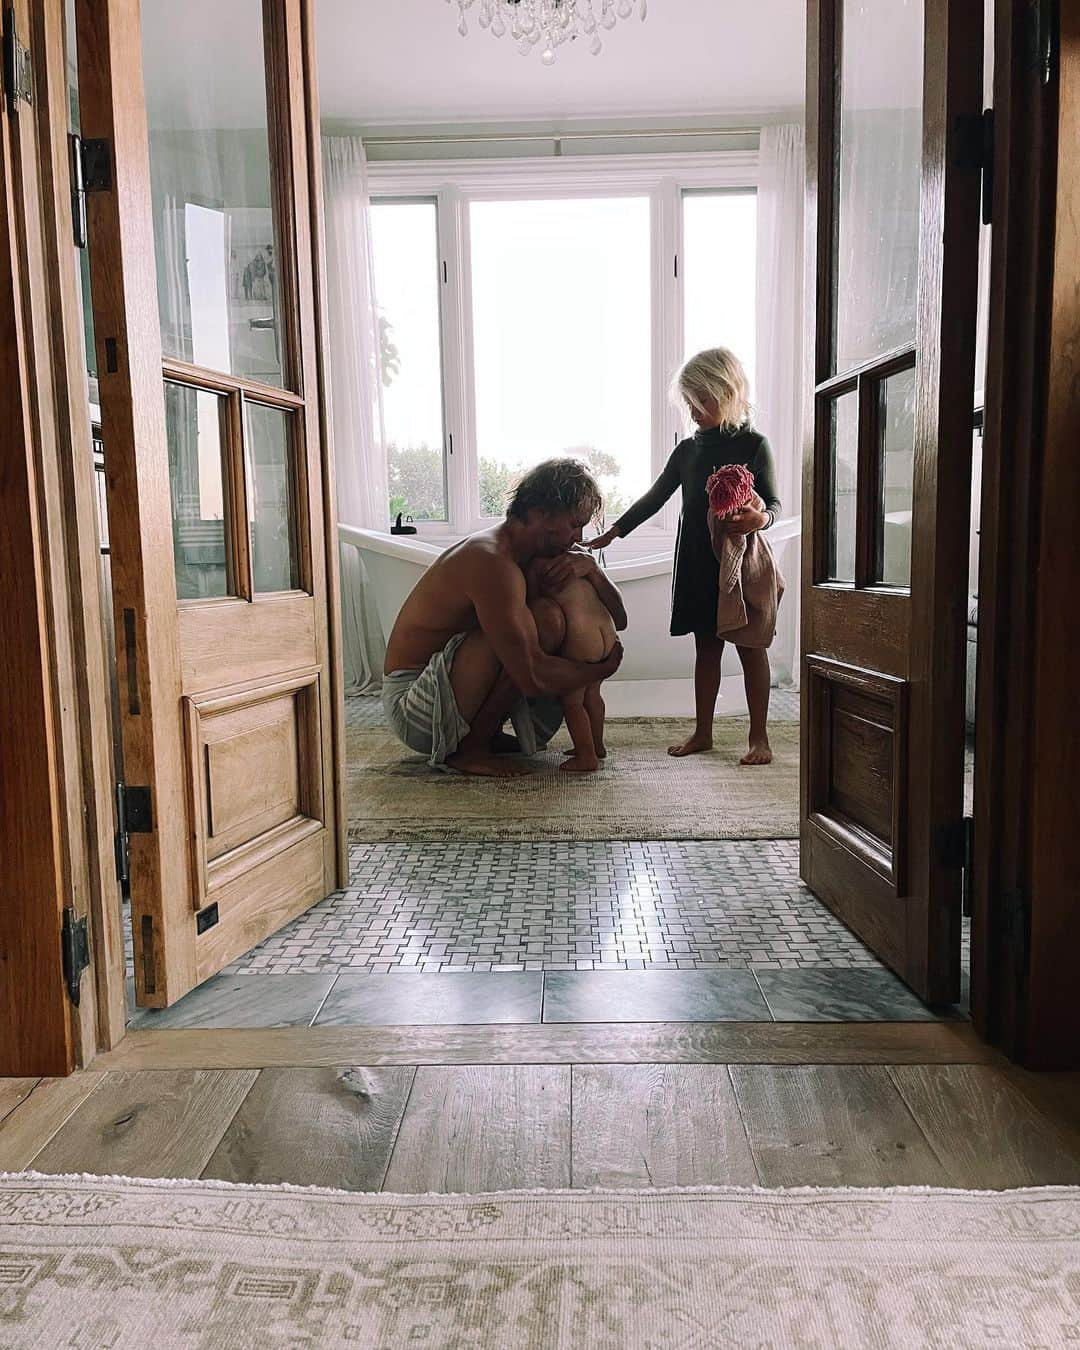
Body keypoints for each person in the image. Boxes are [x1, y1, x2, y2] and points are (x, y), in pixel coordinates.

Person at [588, 348, 781, 765]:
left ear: (727, 393)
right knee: (706, 650)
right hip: (696, 562)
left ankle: (759, 737)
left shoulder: (754, 444)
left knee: (751, 649)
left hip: (740, 564)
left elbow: (776, 505)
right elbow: (655, 497)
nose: (694, 410)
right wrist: (615, 532)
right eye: (689, 402)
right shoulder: (688, 451)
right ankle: (704, 732)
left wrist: (758, 518)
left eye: (703, 401)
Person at [382, 458, 627, 778]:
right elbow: (530, 676)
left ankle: (480, 736)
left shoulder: (534, 553)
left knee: (546, 619)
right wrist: (600, 669)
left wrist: (593, 570)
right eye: (574, 524)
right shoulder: (491, 560)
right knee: (541, 623)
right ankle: (470, 750)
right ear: (543, 513)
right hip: (415, 707)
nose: (578, 536)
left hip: (454, 690)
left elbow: (620, 619)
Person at [527, 556, 617, 774]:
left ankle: (586, 756)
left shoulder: (537, 562)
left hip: (582, 636)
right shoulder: (580, 557)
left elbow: (530, 601)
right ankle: (596, 745)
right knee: (593, 694)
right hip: (607, 632)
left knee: (573, 701)